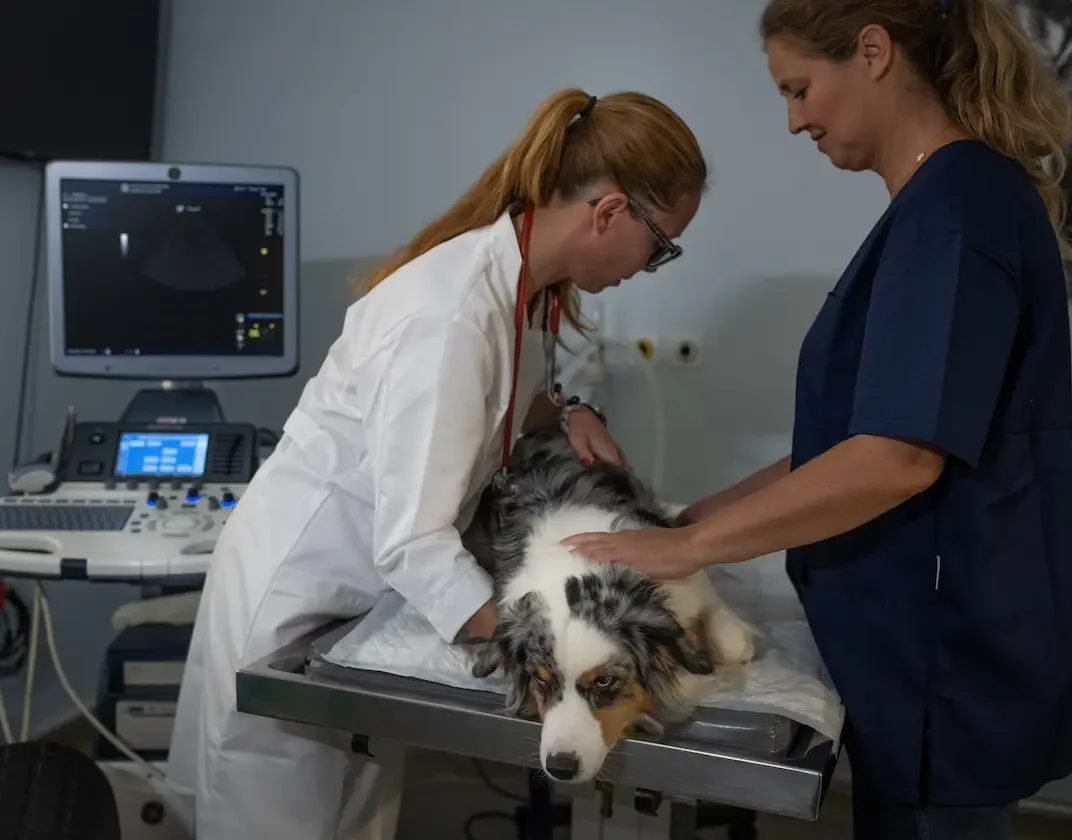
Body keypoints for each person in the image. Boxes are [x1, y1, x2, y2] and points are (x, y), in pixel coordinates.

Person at [563, 1, 1072, 837]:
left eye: (800, 88)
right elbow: (843, 445)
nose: (794, 120)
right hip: (920, 655)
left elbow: (897, 459)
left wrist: (685, 548)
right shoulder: (939, 209)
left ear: (873, 53)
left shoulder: (954, 215)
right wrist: (694, 518)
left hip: (947, 663)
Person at [166, 87, 707, 840]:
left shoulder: (527, 289)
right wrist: (543, 643)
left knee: (353, 814)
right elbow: (413, 544)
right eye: (663, 244)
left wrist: (575, 412)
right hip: (295, 598)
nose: (654, 267)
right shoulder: (450, 317)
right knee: (279, 816)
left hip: (353, 604)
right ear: (610, 212)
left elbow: (506, 404)